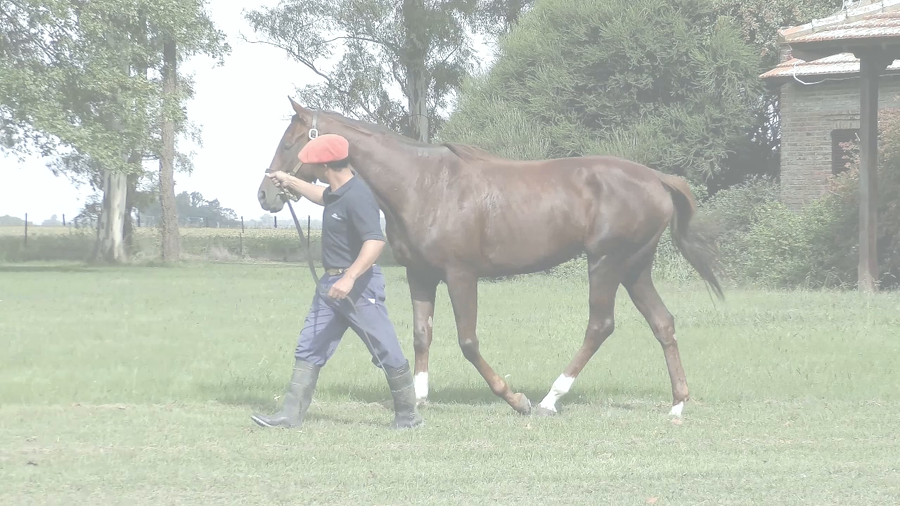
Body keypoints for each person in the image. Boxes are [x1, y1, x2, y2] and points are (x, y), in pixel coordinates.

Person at [250, 133, 423, 430]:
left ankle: (409, 416)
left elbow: (375, 242)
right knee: (309, 346)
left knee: (385, 348)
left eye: (314, 165)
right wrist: (289, 181)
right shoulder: (337, 191)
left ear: (326, 166)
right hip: (330, 287)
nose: (312, 170)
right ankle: (290, 415)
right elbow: (321, 196)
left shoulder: (359, 196)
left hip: (359, 287)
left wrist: (350, 277)